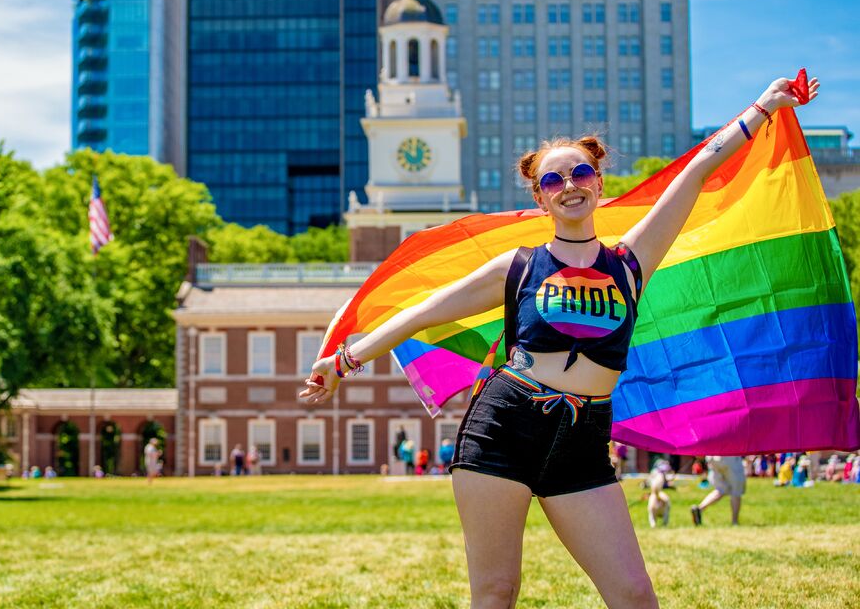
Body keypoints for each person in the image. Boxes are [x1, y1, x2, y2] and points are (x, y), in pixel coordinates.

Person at [302, 75, 818, 608]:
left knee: (635, 595)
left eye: (580, 173)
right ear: (541, 197)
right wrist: (345, 359)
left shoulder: (630, 262)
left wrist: (762, 107)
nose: (569, 185)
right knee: (497, 592)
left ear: (598, 183)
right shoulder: (520, 266)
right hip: (504, 426)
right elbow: (421, 313)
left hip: (584, 439)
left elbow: (696, 171)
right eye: (554, 180)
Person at [691, 456, 746, 526]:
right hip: (730, 456)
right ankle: (735, 522)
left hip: (713, 457)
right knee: (736, 490)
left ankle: (700, 509)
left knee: (721, 489)